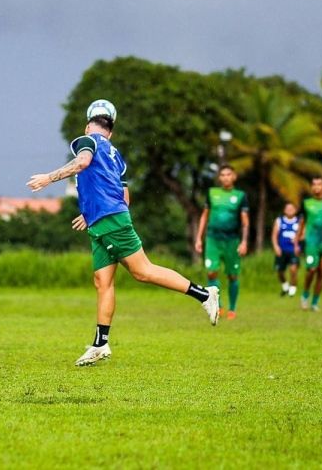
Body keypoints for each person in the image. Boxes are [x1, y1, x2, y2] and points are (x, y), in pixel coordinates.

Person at [26, 99, 219, 367]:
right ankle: (100, 344)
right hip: (103, 220)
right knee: (102, 282)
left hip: (110, 221)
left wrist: (49, 178)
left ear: (88, 125)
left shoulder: (87, 141)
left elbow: (82, 163)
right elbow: (124, 196)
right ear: (111, 131)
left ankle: (205, 294)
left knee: (143, 271)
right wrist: (90, 212)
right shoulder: (116, 156)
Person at [195, 165, 249, 320]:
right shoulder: (212, 193)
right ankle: (218, 305)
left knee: (233, 276)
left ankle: (232, 308)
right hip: (213, 239)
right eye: (223, 175)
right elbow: (205, 216)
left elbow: (245, 221)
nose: (225, 177)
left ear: (234, 177)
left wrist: (244, 242)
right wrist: (199, 237)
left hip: (232, 240)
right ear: (219, 177)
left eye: (228, 174)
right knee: (211, 271)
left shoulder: (240, 196)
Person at [295, 176, 322, 311]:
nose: (316, 187)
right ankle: (305, 294)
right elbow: (302, 223)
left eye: (319, 184)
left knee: (321, 271)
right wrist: (296, 241)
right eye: (314, 184)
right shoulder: (306, 203)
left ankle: (315, 303)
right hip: (311, 242)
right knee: (311, 269)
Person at [271, 202, 300, 297]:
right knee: (280, 271)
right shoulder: (279, 221)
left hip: (293, 249)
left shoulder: (299, 221)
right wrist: (276, 246)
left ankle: (293, 288)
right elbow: (274, 235)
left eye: (292, 209)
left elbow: (303, 234)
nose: (289, 210)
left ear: (295, 210)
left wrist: (297, 239)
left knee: (293, 269)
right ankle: (285, 286)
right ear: (284, 210)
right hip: (281, 250)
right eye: (288, 209)